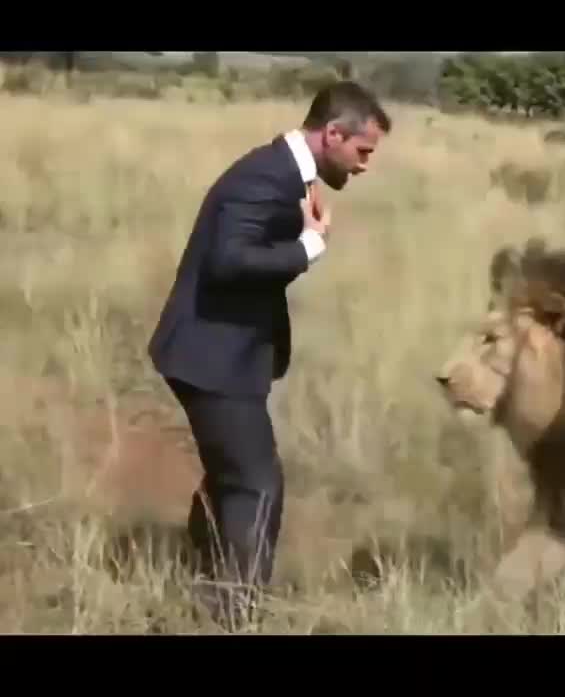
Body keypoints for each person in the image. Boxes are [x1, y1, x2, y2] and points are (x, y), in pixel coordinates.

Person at [147, 80, 392, 628]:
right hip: (212, 358)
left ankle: (204, 585)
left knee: (228, 476)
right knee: (256, 483)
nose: (364, 165)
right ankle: (236, 615)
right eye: (363, 151)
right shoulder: (265, 177)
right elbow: (229, 262)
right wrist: (307, 246)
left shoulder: (284, 172)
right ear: (332, 133)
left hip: (217, 352)